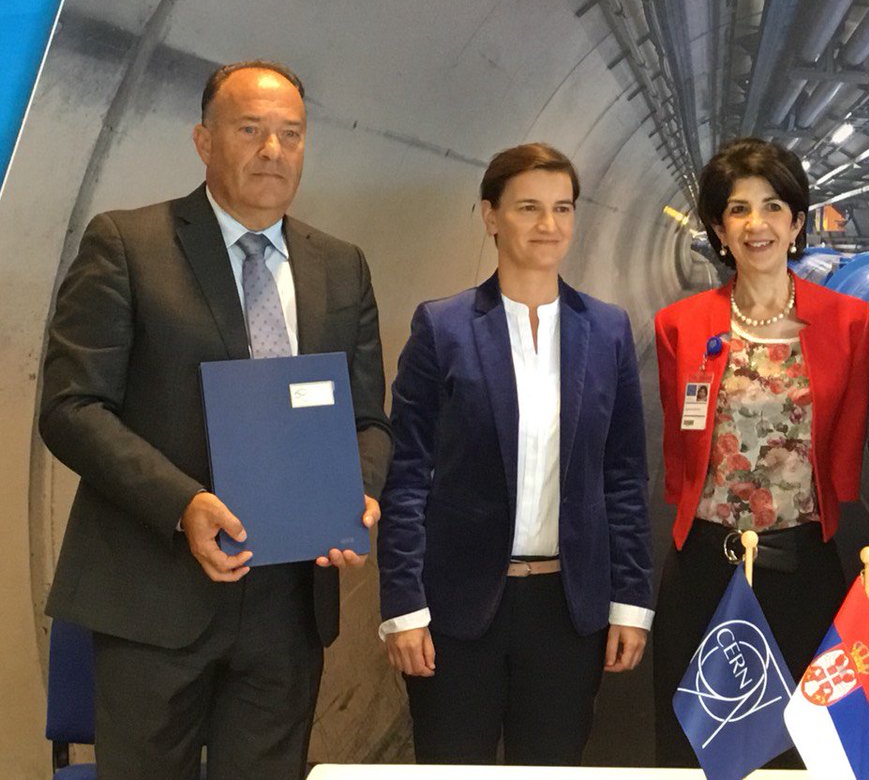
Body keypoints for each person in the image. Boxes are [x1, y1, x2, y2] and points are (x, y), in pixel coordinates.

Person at [40, 61, 392, 780]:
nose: (273, 150)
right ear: (204, 141)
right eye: (250, 130)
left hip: (288, 606)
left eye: (291, 133)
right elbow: (72, 408)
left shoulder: (340, 266)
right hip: (153, 593)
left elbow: (368, 420)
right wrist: (184, 504)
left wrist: (352, 495)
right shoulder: (127, 245)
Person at [377, 143, 654, 765]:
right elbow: (408, 475)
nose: (548, 224)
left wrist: (631, 601)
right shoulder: (443, 328)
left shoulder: (607, 330)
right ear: (491, 216)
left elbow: (623, 478)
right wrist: (402, 605)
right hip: (457, 606)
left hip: (567, 608)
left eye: (562, 207)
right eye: (528, 207)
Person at [653, 138, 869, 767]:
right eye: (739, 208)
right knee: (698, 746)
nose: (758, 224)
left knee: (807, 749)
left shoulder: (849, 320)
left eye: (774, 206)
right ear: (719, 228)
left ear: (797, 222)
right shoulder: (680, 324)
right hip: (704, 564)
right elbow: (679, 443)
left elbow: (848, 440)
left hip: (804, 565)